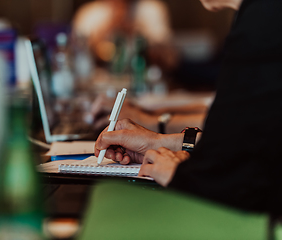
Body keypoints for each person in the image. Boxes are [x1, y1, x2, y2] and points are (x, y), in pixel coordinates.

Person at [94, 0, 282, 214]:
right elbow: (251, 134)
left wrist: (181, 175)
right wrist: (162, 143)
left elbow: (238, 180)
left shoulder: (266, 16)